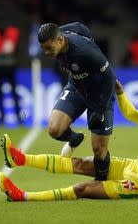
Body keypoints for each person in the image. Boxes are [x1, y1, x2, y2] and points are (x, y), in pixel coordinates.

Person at [0, 80, 138, 201]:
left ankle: (22, 196)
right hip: (133, 166)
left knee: (83, 189)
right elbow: (132, 113)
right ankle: (20, 158)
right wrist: (120, 93)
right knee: (82, 163)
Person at [37, 22, 116, 181]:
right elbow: (79, 27)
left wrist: (100, 109)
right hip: (76, 88)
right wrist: (89, 36)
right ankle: (74, 138)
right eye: (44, 48)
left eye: (49, 48)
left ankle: (101, 182)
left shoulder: (85, 51)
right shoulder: (61, 34)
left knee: (99, 149)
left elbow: (110, 77)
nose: (46, 52)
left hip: (99, 94)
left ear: (60, 40)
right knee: (54, 129)